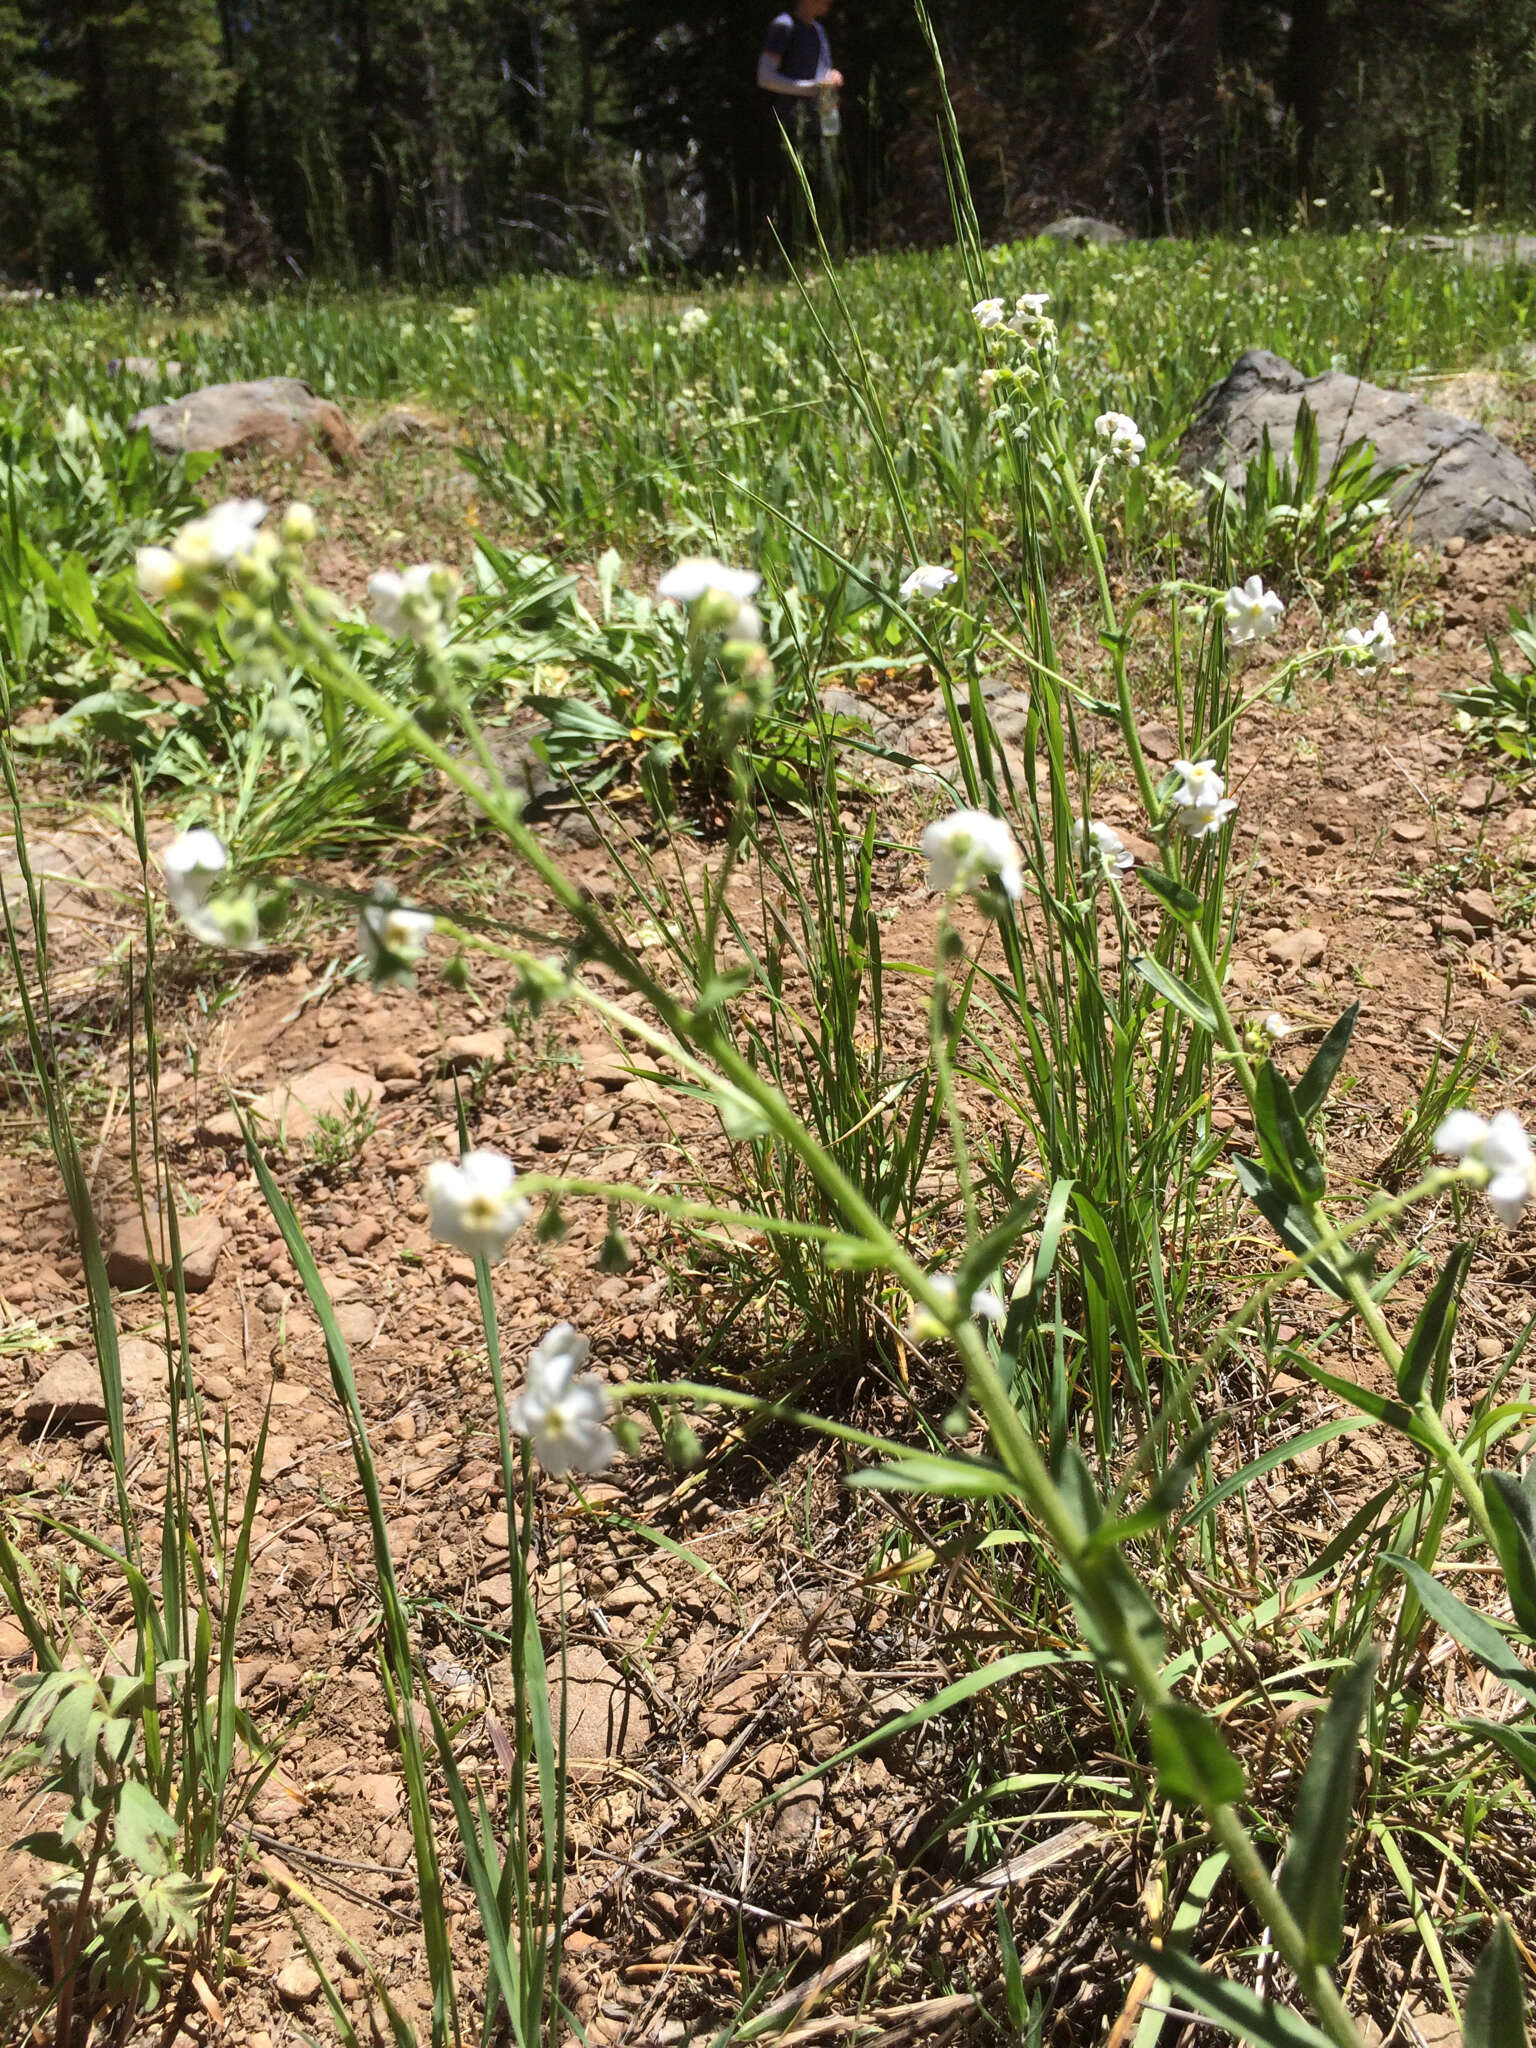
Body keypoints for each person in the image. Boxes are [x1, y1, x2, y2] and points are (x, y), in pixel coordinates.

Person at [755, 0, 845, 257]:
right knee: (793, 195)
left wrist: (831, 79)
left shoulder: (818, 30)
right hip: (792, 124)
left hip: (821, 123)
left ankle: (825, 256)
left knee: (824, 189)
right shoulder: (783, 26)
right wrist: (812, 88)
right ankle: (789, 260)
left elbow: (822, 73)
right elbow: (765, 76)